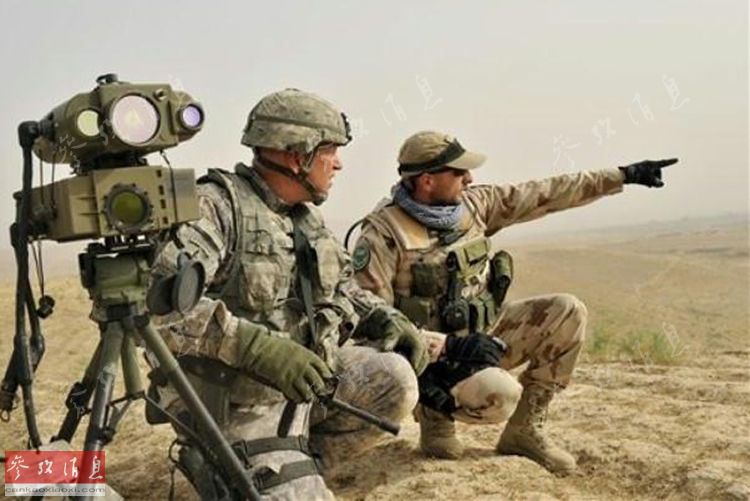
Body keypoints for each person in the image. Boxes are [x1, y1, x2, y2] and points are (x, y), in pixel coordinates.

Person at [147, 89, 431, 500]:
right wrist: (258, 348)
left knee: (395, 380)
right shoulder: (216, 207)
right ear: (298, 156)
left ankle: (290, 466)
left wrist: (381, 315)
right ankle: (240, 467)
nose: (339, 163)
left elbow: (341, 287)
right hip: (235, 399)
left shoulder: (304, 216)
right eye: (330, 151)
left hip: (301, 385)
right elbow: (163, 312)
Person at [352, 130, 677, 475]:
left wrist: (623, 175)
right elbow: (375, 325)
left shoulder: (475, 206)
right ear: (427, 180)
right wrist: (446, 347)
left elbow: (547, 192)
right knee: (500, 393)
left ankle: (524, 432)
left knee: (567, 311)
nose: (469, 178)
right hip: (431, 361)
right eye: (459, 172)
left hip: (484, 339)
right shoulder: (383, 235)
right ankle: (435, 417)